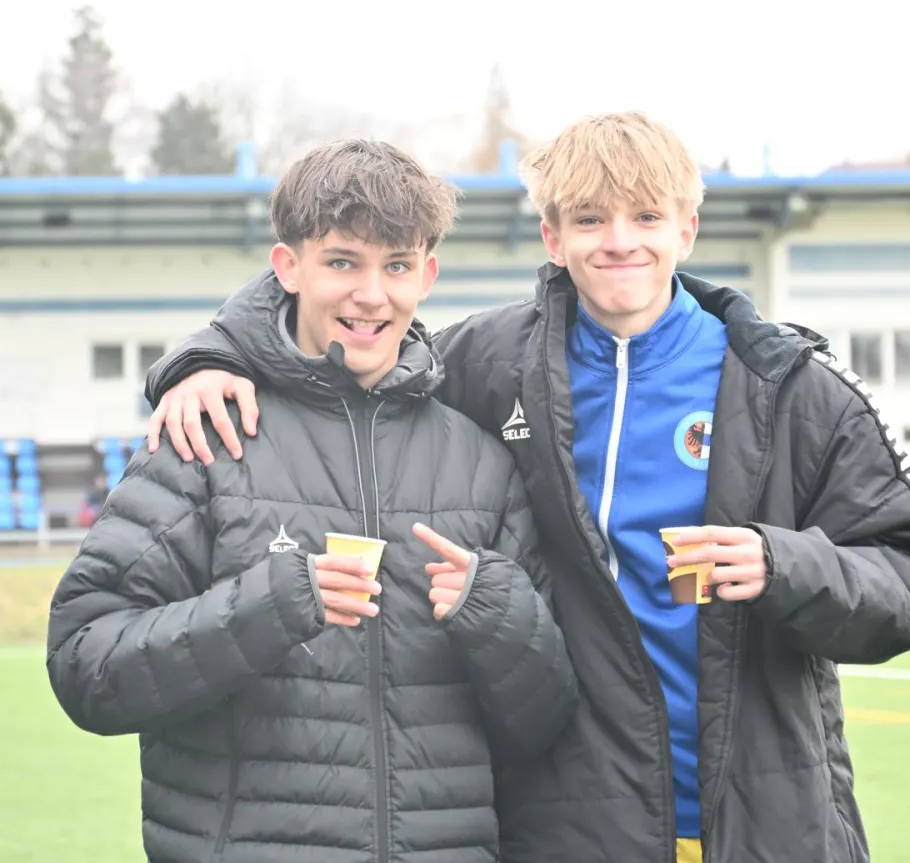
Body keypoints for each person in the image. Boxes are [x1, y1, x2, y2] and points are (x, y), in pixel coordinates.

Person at [145, 113, 910, 863]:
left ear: (687, 228)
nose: (620, 242)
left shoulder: (791, 384)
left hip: (771, 819)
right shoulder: (486, 363)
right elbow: (356, 326)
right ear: (552, 236)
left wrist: (783, 563)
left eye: (646, 217)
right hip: (573, 827)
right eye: (590, 219)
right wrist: (208, 356)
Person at [46, 139, 578, 863]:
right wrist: (269, 606)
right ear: (288, 268)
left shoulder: (481, 462)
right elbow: (87, 668)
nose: (372, 294)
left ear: (427, 275)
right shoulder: (207, 435)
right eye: (342, 262)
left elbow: (543, 723)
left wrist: (497, 615)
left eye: (396, 265)